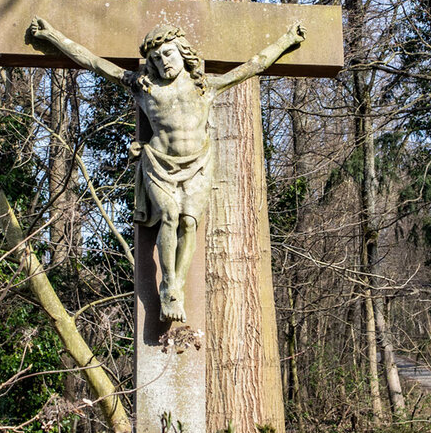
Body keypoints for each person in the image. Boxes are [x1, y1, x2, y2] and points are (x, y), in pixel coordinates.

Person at [28, 16, 305, 323]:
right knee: (170, 216)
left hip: (198, 162)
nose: (163, 62)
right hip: (159, 162)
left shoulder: (205, 86)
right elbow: (93, 62)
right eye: (156, 58)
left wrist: (287, 40)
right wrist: (52, 35)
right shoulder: (143, 87)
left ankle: (179, 284)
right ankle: (169, 286)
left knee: (189, 223)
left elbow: (254, 65)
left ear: (183, 53)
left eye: (168, 54)